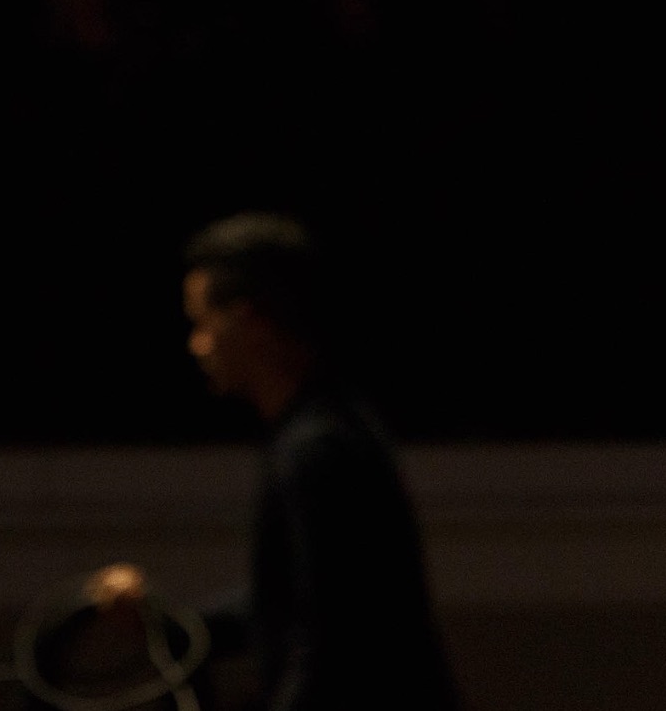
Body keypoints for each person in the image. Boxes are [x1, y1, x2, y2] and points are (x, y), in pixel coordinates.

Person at [91, 212, 460, 711]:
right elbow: (293, 603)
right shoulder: (330, 426)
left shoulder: (316, 449)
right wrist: (170, 624)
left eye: (203, 323)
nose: (196, 345)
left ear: (250, 321)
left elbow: (329, 645)